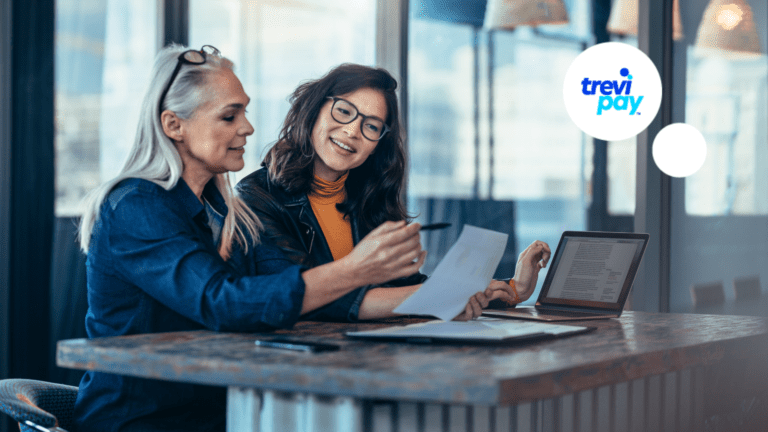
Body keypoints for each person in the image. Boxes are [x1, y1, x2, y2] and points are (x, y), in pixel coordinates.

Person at [73, 46, 498, 432]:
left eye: (245, 113)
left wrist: (463, 293)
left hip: (220, 408)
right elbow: (224, 303)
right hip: (143, 421)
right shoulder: (134, 206)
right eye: (229, 116)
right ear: (174, 125)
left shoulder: (221, 211)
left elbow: (271, 292)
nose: (248, 128)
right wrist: (356, 270)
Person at [236, 63, 551, 320]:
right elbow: (305, 296)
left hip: (371, 359)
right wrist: (442, 296)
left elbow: (405, 289)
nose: (352, 131)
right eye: (344, 111)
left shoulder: (368, 200)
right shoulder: (256, 197)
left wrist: (511, 289)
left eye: (371, 126)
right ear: (315, 109)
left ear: (377, 145)